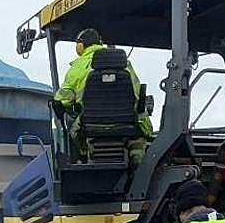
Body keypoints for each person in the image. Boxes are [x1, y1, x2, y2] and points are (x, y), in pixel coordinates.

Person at [54, 28, 152, 161]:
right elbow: (137, 94)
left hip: (91, 127)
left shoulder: (76, 68)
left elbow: (62, 100)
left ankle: (85, 155)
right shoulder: (126, 65)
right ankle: (137, 162)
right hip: (128, 124)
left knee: (73, 131)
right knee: (139, 140)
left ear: (81, 46)